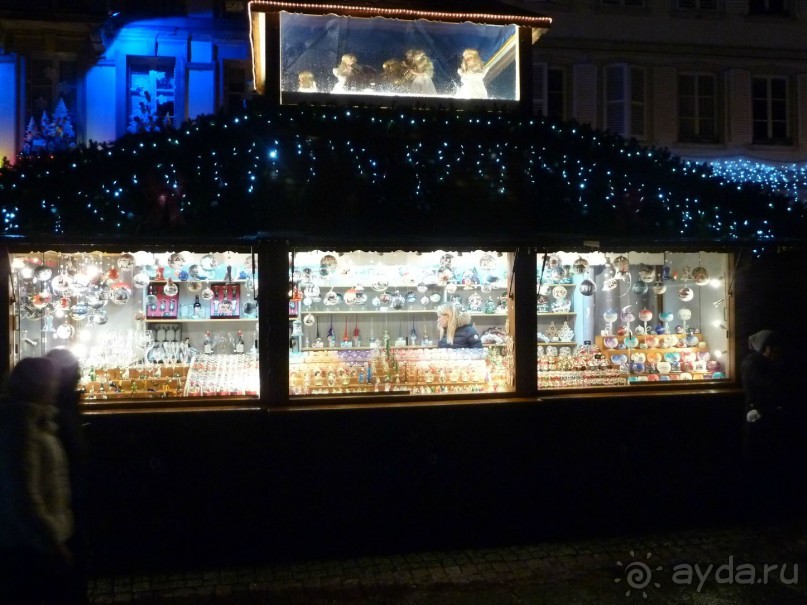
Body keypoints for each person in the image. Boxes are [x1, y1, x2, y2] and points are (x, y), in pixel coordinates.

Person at [0, 356, 79, 604]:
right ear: (38, 385)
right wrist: (52, 543)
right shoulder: (22, 428)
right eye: (52, 381)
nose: (56, 386)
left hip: (39, 539)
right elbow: (23, 497)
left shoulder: (35, 421)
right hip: (33, 546)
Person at [46, 348, 90, 605]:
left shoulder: (52, 414)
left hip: (68, 506)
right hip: (63, 510)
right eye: (75, 373)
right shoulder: (54, 416)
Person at [740, 329, 792, 514]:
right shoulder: (756, 364)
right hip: (760, 417)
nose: (777, 351)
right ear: (765, 348)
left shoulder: (759, 363)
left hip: (761, 417)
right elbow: (770, 389)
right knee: (759, 459)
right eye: (773, 348)